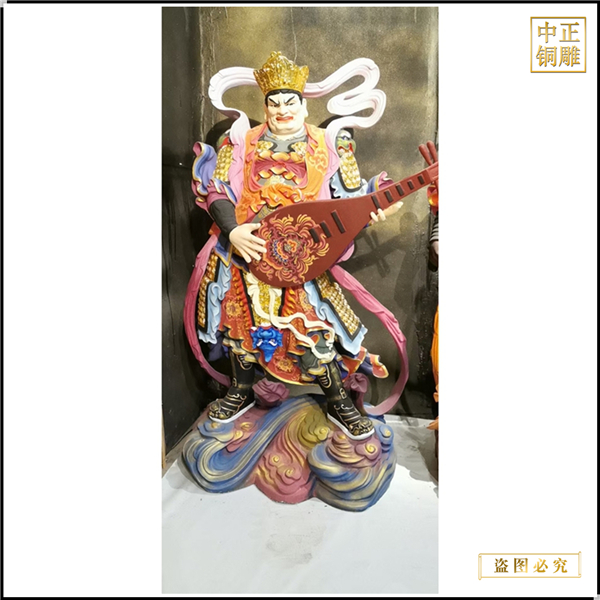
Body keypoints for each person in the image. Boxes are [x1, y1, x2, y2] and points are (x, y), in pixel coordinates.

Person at [188, 52, 402, 441]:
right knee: (240, 327)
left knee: (314, 330)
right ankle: (240, 390)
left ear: (303, 105)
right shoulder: (240, 141)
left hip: (303, 257)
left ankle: (337, 400)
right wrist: (232, 230)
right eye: (274, 103)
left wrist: (377, 204)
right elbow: (217, 190)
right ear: (265, 107)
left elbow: (351, 196)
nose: (282, 110)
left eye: (290, 102)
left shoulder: (331, 144)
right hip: (247, 253)